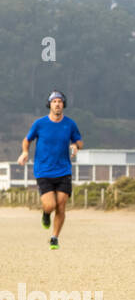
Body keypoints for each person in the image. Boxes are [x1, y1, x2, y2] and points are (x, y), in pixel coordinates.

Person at [17, 90, 83, 250]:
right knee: (50, 205)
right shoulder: (39, 124)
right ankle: (46, 214)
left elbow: (79, 141)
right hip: (44, 171)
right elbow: (27, 140)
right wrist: (25, 152)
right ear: (50, 104)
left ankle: (54, 237)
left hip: (63, 170)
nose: (57, 104)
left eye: (60, 101)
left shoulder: (70, 124)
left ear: (63, 104)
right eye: (54, 101)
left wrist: (75, 146)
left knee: (61, 205)